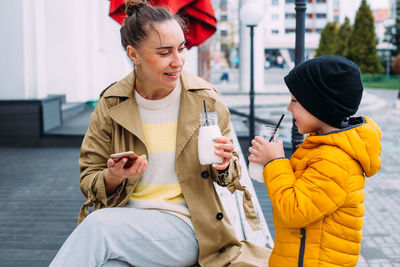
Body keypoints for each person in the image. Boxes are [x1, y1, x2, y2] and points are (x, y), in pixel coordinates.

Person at [50, 1, 270, 266]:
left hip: (188, 228)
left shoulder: (204, 99)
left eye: (181, 48)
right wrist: (113, 176)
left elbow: (232, 175)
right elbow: (89, 177)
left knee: (97, 226)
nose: (178, 61)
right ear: (134, 54)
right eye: (165, 52)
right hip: (126, 224)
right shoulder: (111, 103)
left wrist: (223, 165)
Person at [248, 55, 382, 267]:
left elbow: (294, 211)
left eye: (295, 101)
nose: (288, 108)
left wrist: (275, 162)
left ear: (320, 106)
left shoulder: (335, 160)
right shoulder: (320, 146)